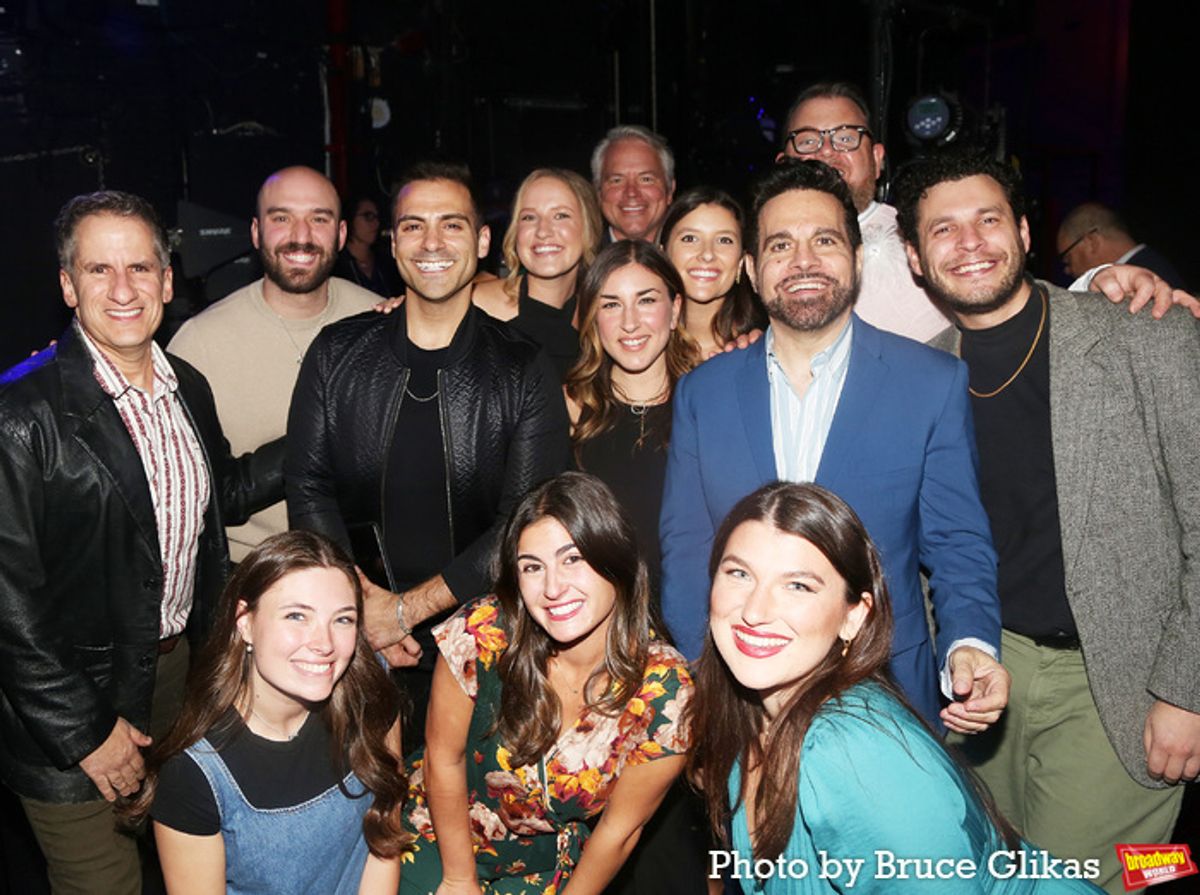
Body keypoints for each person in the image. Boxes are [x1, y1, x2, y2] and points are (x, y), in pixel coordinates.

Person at [894, 151, 1200, 893]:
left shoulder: (1145, 333)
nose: (970, 242)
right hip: (978, 673)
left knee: (1079, 885)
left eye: (988, 219)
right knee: (987, 874)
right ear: (913, 258)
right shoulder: (919, 374)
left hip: (1116, 678)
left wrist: (1186, 688)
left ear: (1025, 232)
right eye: (944, 228)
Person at [0, 190, 283, 893]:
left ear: (167, 278)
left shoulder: (185, 384)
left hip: (175, 679)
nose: (122, 289)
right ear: (68, 285)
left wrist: (324, 426)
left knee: (185, 871)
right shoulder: (21, 413)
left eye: (140, 267)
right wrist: (86, 731)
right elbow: (8, 603)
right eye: (99, 270)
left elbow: (221, 495)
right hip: (64, 704)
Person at [660, 159, 1005, 733]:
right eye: (780, 245)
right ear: (751, 268)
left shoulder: (931, 382)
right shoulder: (703, 393)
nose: (803, 261)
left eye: (824, 240)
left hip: (890, 693)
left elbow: (956, 540)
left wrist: (970, 644)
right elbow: (687, 549)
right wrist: (713, 682)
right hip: (745, 701)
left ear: (858, 257)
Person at [689, 481, 1104, 894]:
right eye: (739, 574)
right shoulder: (751, 723)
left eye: (798, 585)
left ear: (855, 616)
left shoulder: (847, 751)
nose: (755, 611)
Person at [286, 161, 570, 747]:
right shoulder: (338, 352)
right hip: (355, 649)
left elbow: (527, 521)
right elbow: (309, 485)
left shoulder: (523, 368)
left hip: (488, 651)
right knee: (373, 825)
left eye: (453, 226)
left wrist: (407, 610)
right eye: (414, 227)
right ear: (392, 244)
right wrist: (361, 608)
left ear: (483, 241)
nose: (433, 243)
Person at [400, 472, 692, 895]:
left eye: (572, 559)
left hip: (543, 866)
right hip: (439, 834)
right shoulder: (482, 633)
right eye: (532, 567)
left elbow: (618, 831)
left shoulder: (667, 696)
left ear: (616, 557)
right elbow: (443, 758)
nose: (553, 588)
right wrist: (459, 879)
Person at [778, 82, 1198, 345]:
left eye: (846, 137)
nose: (828, 151)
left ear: (877, 157)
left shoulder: (920, 234)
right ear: (784, 160)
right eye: (809, 140)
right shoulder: (748, 255)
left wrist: (1098, 283)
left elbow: (1005, 294)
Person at [122, 530, 408, 895]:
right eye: (296, 616)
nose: (324, 644)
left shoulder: (371, 691)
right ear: (245, 622)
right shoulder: (195, 775)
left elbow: (383, 843)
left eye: (343, 620)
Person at [169, 166, 378, 561]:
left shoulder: (379, 323)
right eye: (281, 218)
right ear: (255, 232)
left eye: (319, 219)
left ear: (342, 234)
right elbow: (185, 496)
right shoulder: (199, 344)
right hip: (247, 575)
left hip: (362, 572)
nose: (301, 236)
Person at [566, 240, 699, 588]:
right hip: (593, 618)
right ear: (593, 318)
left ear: (674, 310)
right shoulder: (569, 406)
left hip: (684, 620)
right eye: (611, 304)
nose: (629, 322)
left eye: (646, 300)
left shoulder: (706, 403)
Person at [472, 168, 604, 378]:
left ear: (588, 227)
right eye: (529, 217)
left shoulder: (603, 320)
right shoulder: (475, 307)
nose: (543, 231)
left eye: (561, 216)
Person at [659, 187, 766, 359]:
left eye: (724, 240)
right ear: (662, 253)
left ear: (741, 261)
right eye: (690, 238)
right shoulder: (641, 345)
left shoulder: (762, 349)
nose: (707, 254)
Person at [1056, 200, 1187, 289]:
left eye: (1068, 259)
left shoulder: (1141, 283)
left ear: (1092, 242)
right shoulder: (1154, 267)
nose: (1067, 270)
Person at [591, 125, 676, 243]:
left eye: (646, 179)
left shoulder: (691, 258)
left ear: (670, 190)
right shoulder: (583, 259)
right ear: (598, 193)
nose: (631, 192)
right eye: (617, 180)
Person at [335, 193, 404, 297]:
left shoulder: (388, 261)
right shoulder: (337, 265)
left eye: (377, 217)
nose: (376, 223)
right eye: (368, 217)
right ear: (350, 218)